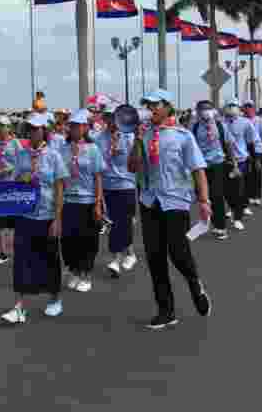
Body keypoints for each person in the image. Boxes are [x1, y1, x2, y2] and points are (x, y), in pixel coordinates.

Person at [131, 90, 212, 331]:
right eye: (148, 106)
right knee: (154, 257)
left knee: (178, 252)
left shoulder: (183, 136)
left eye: (155, 105)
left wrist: (205, 201)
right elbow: (132, 166)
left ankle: (195, 284)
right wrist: (136, 141)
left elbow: (198, 170)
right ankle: (166, 311)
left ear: (168, 106)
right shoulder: (143, 136)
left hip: (175, 201)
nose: (151, 109)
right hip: (149, 201)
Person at [1, 113, 68, 325]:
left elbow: (59, 189)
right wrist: (21, 179)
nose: (32, 132)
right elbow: (15, 182)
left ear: (44, 131)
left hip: (47, 215)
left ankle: (55, 298)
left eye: (36, 128)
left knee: (49, 259)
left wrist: (57, 219)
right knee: (21, 260)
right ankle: (19, 306)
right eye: (29, 128)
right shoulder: (22, 155)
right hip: (25, 214)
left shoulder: (53, 156)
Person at [59, 109, 104, 293]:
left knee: (87, 240)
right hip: (68, 201)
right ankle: (74, 269)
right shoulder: (62, 150)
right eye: (72, 126)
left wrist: (98, 202)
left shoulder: (93, 149)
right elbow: (59, 178)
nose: (75, 129)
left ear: (85, 128)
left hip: (87, 201)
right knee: (68, 239)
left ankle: (85, 273)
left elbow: (98, 177)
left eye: (79, 126)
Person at [96, 104, 139, 275]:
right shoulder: (100, 138)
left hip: (126, 184)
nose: (110, 121)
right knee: (114, 222)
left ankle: (117, 258)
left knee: (124, 221)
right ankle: (126, 254)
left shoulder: (129, 137)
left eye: (112, 117)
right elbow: (98, 164)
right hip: (108, 186)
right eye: (107, 118)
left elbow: (136, 162)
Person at [191, 101, 231, 241]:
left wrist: (232, 161)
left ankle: (221, 226)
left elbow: (227, 143)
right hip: (201, 166)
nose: (205, 112)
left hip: (217, 163)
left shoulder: (220, 125)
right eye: (202, 109)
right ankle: (208, 222)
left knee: (217, 195)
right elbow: (191, 145)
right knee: (203, 196)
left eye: (208, 109)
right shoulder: (195, 126)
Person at [0, 116, 20, 265]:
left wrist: (12, 169)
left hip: (12, 185)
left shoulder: (15, 143)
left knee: (13, 222)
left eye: (3, 126)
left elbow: (22, 162)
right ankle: (3, 252)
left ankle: (14, 249)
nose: (0, 128)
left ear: (9, 128)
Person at [222, 100, 257, 232]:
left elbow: (250, 142)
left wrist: (253, 159)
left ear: (238, 108)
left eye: (233, 106)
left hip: (241, 160)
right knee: (226, 190)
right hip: (225, 161)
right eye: (229, 106)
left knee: (238, 189)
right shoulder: (220, 123)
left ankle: (238, 218)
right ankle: (232, 208)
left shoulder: (245, 123)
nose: (231, 108)